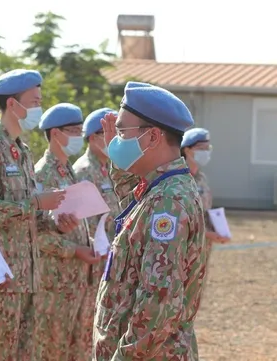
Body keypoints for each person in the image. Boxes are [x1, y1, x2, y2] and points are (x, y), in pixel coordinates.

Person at [94, 81, 207, 360]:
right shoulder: (159, 188)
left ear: (154, 137)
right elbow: (132, 214)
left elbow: (158, 305)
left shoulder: (168, 202)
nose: (116, 140)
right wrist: (119, 163)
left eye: (122, 132)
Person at [0, 69, 64, 361]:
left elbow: (27, 216)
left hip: (29, 278)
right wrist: (37, 202)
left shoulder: (21, 150)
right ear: (13, 104)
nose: (39, 108)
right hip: (3, 278)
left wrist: (55, 223)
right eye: (35, 101)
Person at [33, 103, 100, 361]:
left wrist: (90, 242)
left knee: (76, 348)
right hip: (54, 283)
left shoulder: (67, 170)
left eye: (78, 130)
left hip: (75, 281)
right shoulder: (42, 174)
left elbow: (71, 223)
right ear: (55, 134)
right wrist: (75, 250)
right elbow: (36, 235)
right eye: (72, 130)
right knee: (51, 349)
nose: (77, 136)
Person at [72, 107, 123, 360]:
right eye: (109, 134)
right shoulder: (83, 170)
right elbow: (77, 221)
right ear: (93, 138)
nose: (116, 139)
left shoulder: (109, 167)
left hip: (109, 259)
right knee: (87, 328)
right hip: (90, 263)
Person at [181, 127, 230, 259]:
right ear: (187, 150)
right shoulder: (178, 179)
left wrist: (217, 229)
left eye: (208, 148)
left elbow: (205, 209)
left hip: (202, 249)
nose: (206, 152)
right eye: (201, 148)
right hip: (184, 248)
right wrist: (207, 233)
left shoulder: (202, 178)